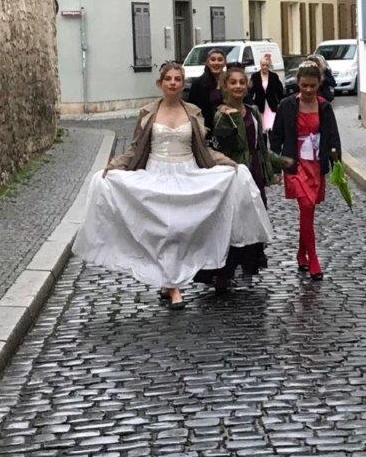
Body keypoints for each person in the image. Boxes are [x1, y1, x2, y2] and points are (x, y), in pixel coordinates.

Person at [73, 62, 272, 309]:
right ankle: (172, 286)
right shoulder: (148, 113)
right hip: (156, 174)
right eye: (168, 79)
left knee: (179, 230)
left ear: (182, 83)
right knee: (163, 231)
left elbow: (203, 148)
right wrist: (114, 166)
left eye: (177, 79)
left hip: (187, 174)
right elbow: (136, 148)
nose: (173, 83)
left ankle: (170, 282)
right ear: (160, 83)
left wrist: (228, 163)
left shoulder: (193, 112)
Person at [193, 63, 289, 293]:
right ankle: (223, 272)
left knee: (251, 218)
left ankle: (247, 265)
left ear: (247, 86)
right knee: (231, 222)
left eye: (242, 82)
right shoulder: (222, 115)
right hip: (233, 174)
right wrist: (231, 120)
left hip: (254, 172)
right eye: (233, 82)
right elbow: (223, 148)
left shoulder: (253, 110)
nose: (238, 86)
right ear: (225, 86)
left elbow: (259, 147)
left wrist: (279, 163)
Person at [270, 61, 342, 280]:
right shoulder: (287, 105)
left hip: (316, 165)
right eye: (304, 86)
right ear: (298, 84)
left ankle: (301, 254)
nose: (308, 90)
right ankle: (313, 259)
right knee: (306, 206)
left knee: (308, 212)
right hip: (296, 164)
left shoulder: (324, 107)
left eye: (312, 85)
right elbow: (276, 136)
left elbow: (333, 136)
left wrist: (337, 164)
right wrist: (275, 165)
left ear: (319, 84)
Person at [188, 47, 227, 140]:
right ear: (207, 62)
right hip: (206, 130)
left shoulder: (230, 81)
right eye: (213, 59)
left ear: (225, 62)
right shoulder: (198, 84)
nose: (216, 63)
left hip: (227, 129)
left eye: (220, 60)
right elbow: (192, 109)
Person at [250, 53, 282, 131]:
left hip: (272, 105)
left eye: (267, 65)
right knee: (262, 128)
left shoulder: (274, 76)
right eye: (263, 65)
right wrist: (251, 103)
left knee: (272, 127)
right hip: (260, 106)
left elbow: (279, 90)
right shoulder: (255, 76)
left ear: (269, 66)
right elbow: (250, 91)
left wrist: (280, 102)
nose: (265, 67)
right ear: (260, 65)